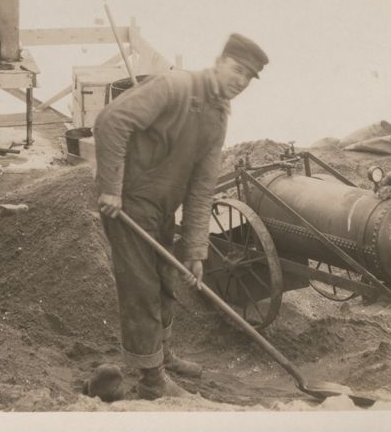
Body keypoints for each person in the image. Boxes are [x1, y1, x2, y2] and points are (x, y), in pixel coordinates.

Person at [93, 33, 268, 400]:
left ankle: (163, 355)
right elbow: (111, 121)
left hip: (161, 209)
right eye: (237, 70)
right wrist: (111, 186)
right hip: (128, 203)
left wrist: (195, 250)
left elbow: (202, 190)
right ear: (219, 61)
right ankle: (152, 379)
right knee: (141, 287)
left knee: (164, 280)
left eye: (249, 77)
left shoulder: (218, 118)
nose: (241, 81)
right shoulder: (174, 85)